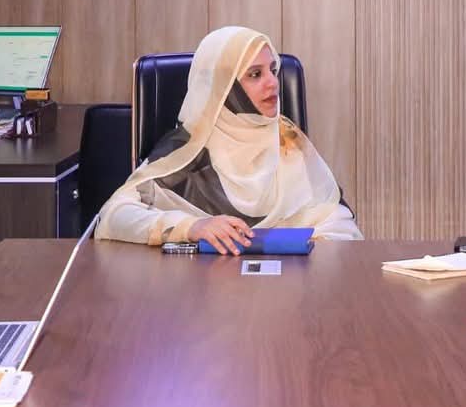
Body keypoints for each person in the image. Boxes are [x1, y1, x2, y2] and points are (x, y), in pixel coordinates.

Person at [95, 26, 361, 251]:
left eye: (272, 70)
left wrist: (313, 247)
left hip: (287, 287)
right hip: (202, 286)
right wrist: (192, 227)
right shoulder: (186, 150)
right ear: (224, 88)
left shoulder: (287, 141)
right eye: (255, 74)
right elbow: (113, 216)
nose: (273, 83)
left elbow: (338, 221)